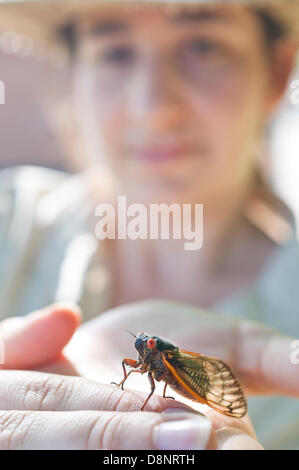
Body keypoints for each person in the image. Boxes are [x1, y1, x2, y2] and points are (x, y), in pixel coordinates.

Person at [0, 0, 299, 450]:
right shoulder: (10, 220)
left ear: (277, 73)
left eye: (204, 45)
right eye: (116, 52)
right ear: (75, 79)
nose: (154, 105)